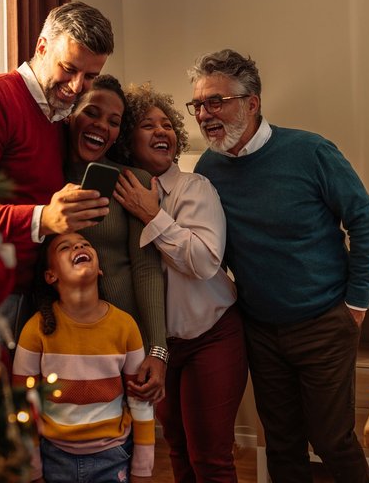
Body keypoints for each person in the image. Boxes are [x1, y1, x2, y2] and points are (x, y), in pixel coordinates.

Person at [188, 49, 369, 483]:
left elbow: (366, 223)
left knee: (333, 440)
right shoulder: (207, 169)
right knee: (281, 443)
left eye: (216, 101)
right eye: (199, 104)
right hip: (260, 330)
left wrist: (356, 305)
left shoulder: (310, 151)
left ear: (252, 102)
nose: (204, 114)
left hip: (324, 322)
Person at [0, 1, 114, 339]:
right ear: (42, 47)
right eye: (68, 68)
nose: (76, 86)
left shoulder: (59, 120)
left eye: (91, 76)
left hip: (23, 295)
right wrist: (43, 219)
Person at [112, 83, 248, 482]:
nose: (163, 131)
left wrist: (153, 215)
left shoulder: (195, 188)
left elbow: (205, 261)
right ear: (125, 139)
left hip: (212, 335)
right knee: (178, 450)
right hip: (159, 347)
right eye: (148, 124)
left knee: (211, 457)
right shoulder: (115, 196)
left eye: (167, 124)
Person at [12, 231, 154, 483]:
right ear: (50, 275)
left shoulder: (125, 326)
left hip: (114, 458)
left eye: (85, 244)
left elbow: (141, 403)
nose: (78, 245)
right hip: (54, 458)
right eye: (65, 247)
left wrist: (142, 471)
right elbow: (24, 405)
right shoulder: (35, 329)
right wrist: (33, 471)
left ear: (100, 270)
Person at [64, 75, 168, 403]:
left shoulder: (132, 182)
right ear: (69, 114)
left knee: (129, 441)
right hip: (62, 340)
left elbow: (146, 269)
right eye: (91, 113)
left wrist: (158, 349)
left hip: (125, 342)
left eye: (113, 122)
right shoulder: (44, 177)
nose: (101, 126)